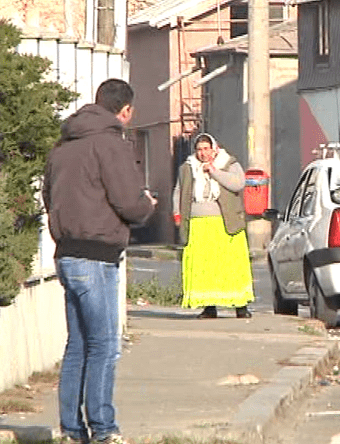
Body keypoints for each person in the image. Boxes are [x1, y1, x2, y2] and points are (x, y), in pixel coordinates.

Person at [43, 78, 157, 444]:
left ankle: (72, 430)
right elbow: (127, 200)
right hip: (98, 255)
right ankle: (104, 429)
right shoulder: (111, 144)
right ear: (126, 111)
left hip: (67, 254)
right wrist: (147, 207)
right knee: (105, 345)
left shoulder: (62, 148)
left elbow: (49, 196)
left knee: (78, 345)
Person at [173, 133, 254, 319]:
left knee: (231, 265)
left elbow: (238, 184)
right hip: (199, 225)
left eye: (206, 149)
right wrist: (177, 215)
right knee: (205, 268)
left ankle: (240, 306)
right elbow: (179, 191)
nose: (202, 153)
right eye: (199, 150)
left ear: (214, 149)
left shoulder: (229, 163)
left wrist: (214, 172)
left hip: (227, 225)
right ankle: (209, 307)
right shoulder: (188, 167)